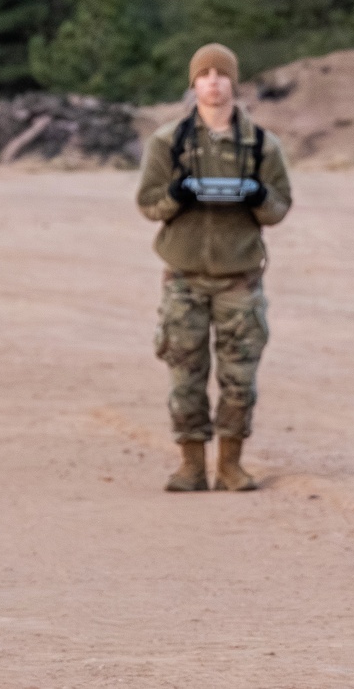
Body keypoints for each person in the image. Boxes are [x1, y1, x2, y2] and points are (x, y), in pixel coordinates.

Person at [135, 42, 292, 492]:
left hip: (239, 279)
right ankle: (189, 464)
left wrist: (258, 197)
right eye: (203, 74)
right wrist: (176, 197)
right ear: (193, 83)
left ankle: (230, 464)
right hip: (184, 278)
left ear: (233, 82)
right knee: (185, 373)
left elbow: (279, 207)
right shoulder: (169, 142)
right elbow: (148, 204)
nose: (213, 81)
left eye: (221, 74)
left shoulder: (261, 145)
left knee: (239, 375)